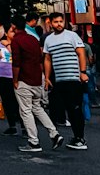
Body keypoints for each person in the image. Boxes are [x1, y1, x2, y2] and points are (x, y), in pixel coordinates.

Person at [11, 14, 62, 154]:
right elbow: (41, 59)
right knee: (37, 108)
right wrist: (43, 77)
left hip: (24, 79)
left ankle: (34, 142)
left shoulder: (17, 40)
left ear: (14, 27)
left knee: (26, 111)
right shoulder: (33, 39)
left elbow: (16, 62)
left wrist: (15, 80)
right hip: (36, 78)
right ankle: (54, 133)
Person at [43, 12, 89, 150]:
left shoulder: (72, 36)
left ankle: (80, 138)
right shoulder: (48, 40)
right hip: (59, 79)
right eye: (55, 22)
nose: (59, 24)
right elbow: (47, 59)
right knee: (64, 108)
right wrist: (47, 77)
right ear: (50, 23)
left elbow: (81, 53)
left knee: (75, 108)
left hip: (73, 78)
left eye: (61, 21)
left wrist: (82, 72)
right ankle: (75, 137)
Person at [0, 25, 21, 136]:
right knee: (6, 102)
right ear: (6, 33)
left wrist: (8, 45)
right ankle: (12, 125)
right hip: (1, 76)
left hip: (15, 77)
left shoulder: (17, 45)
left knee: (18, 102)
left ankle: (24, 125)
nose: (14, 33)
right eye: (12, 31)